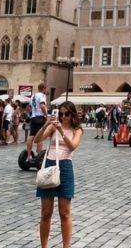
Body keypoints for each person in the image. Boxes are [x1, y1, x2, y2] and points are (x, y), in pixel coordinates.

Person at [34, 102, 83, 248]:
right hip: (50, 165)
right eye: (61, 114)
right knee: (46, 212)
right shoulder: (53, 127)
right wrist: (46, 124)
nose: (63, 117)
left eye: (66, 114)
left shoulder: (77, 129)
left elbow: (72, 146)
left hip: (66, 167)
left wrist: (61, 131)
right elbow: (37, 140)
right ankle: (44, 246)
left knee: (65, 212)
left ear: (72, 114)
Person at [26, 83, 48, 158]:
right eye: (46, 88)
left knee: (31, 135)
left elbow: (28, 107)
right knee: (40, 136)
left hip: (33, 117)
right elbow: (42, 106)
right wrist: (46, 115)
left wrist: (32, 113)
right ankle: (39, 155)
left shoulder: (33, 96)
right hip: (40, 117)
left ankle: (28, 155)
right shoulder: (42, 96)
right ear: (43, 88)